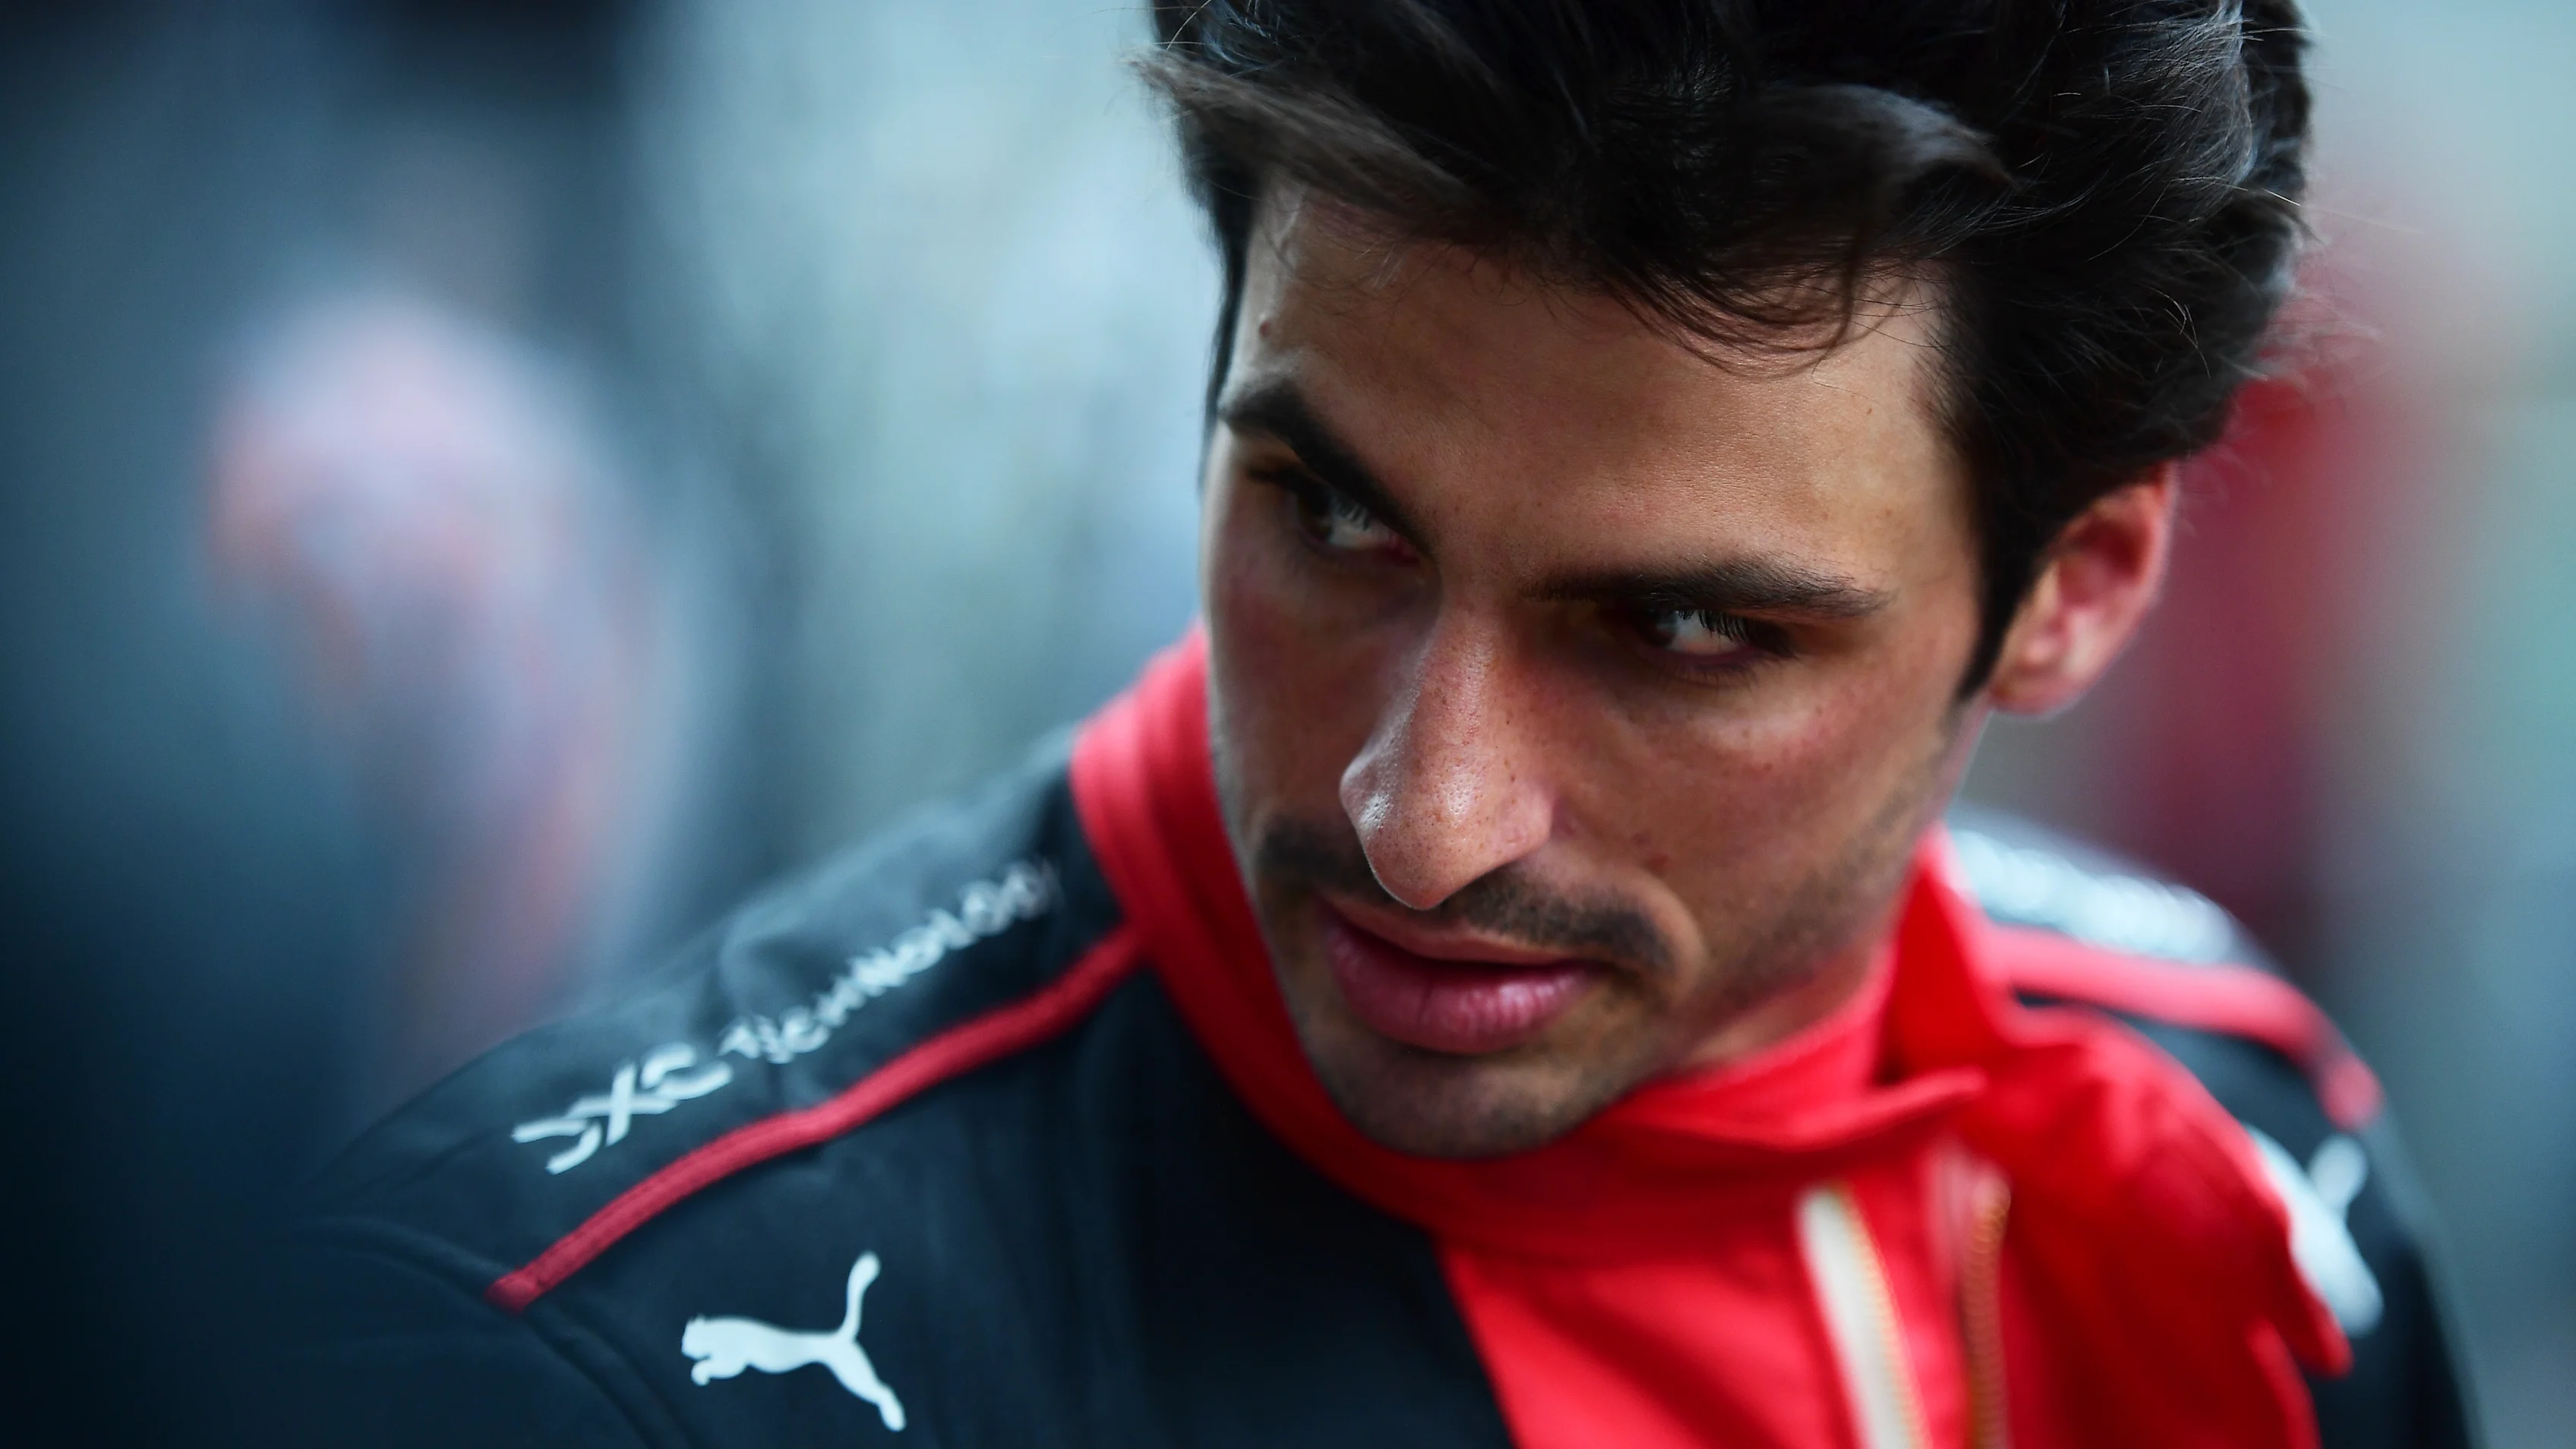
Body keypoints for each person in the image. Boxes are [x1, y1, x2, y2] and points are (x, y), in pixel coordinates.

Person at [280, 3, 2476, 1445]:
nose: (1417, 821)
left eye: (1684, 630)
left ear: (2073, 591)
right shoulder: (568, 1363)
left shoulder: (2239, 1158)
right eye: (1331, 515)